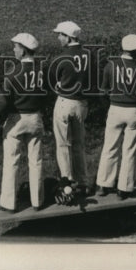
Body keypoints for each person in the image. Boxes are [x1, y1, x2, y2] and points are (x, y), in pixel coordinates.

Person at [0, 32, 47, 211]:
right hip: (35, 117)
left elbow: (5, 101)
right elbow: (46, 95)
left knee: (11, 161)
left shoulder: (11, 73)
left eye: (16, 47)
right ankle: (38, 201)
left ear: (23, 50)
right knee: (36, 161)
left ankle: (8, 203)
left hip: (17, 118)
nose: (14, 49)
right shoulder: (41, 70)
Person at [95, 34, 136, 199]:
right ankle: (124, 188)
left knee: (109, 148)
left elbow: (102, 91)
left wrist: (107, 108)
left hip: (115, 109)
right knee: (129, 150)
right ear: (135, 52)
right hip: (134, 110)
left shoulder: (111, 65)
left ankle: (103, 185)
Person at [50, 21, 90, 198]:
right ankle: (83, 183)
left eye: (60, 35)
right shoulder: (89, 55)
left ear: (69, 37)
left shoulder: (61, 57)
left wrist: (59, 86)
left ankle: (67, 183)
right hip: (81, 103)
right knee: (79, 145)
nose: (59, 38)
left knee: (63, 144)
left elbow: (51, 81)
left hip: (65, 102)